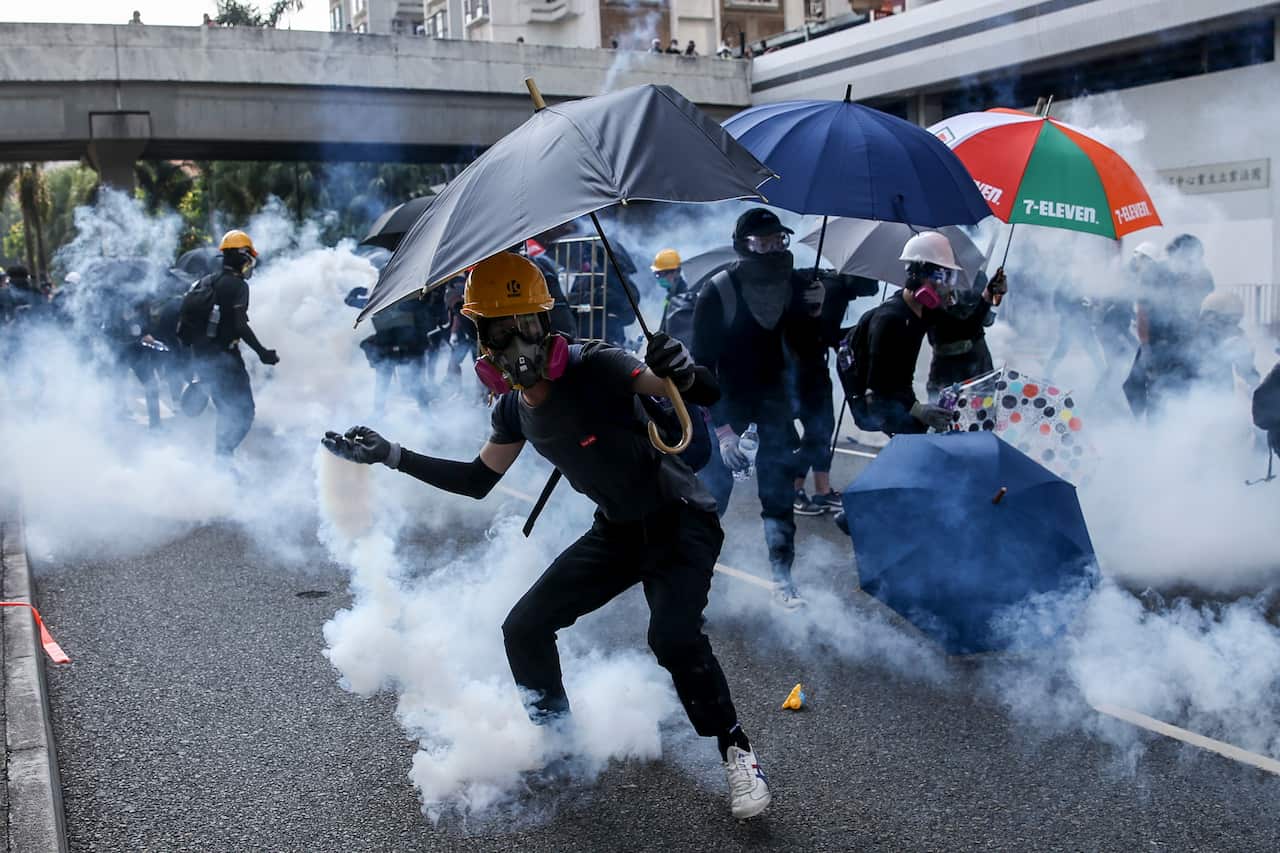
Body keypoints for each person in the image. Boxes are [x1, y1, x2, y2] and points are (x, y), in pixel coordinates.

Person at [322, 253, 772, 820]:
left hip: (680, 520)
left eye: (528, 326)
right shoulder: (512, 409)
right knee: (524, 629)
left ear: (549, 325)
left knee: (673, 638)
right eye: (501, 331)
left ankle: (737, 748)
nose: (519, 346)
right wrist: (390, 455)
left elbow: (695, 392)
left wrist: (679, 367)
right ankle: (562, 744)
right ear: (481, 339)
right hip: (616, 531)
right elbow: (476, 480)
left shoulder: (599, 365)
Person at [691, 208, 825, 608]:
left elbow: (806, 351)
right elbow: (701, 366)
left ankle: (783, 578)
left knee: (779, 496)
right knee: (711, 501)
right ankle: (692, 586)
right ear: (743, 246)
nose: (771, 249)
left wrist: (816, 312)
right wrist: (722, 430)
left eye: (778, 241)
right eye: (761, 242)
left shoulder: (799, 285)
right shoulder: (719, 290)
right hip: (726, 404)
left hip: (775, 406)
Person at [840, 232, 992, 437]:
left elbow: (962, 330)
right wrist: (919, 410)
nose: (947, 285)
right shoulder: (890, 320)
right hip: (879, 404)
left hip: (902, 397)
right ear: (917, 276)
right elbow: (878, 387)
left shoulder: (926, 310)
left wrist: (987, 297)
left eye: (950, 277)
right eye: (941, 276)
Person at [190, 230, 279, 457]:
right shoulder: (238, 286)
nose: (250, 264)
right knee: (244, 412)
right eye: (248, 258)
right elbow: (240, 325)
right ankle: (222, 456)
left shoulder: (206, 282)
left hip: (204, 359)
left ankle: (222, 461)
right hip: (227, 361)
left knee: (225, 411)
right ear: (242, 256)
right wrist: (262, 352)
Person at [926, 270, 1000, 399]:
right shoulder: (933, 277)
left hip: (969, 355)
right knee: (941, 407)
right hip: (948, 358)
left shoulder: (975, 276)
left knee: (982, 401)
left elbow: (982, 320)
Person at [1195, 290, 1259, 391]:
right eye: (1229, 321)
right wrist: (1220, 352)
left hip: (1221, 394)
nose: (1233, 326)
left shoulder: (1235, 335)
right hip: (1189, 394)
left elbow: (1246, 370)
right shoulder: (1191, 336)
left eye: (1236, 321)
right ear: (1210, 317)